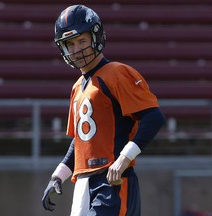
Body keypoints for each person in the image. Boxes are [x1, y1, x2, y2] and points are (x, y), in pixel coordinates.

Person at [42, 4, 165, 216]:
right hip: (83, 183)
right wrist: (58, 175)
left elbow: (153, 117)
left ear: (96, 37)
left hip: (112, 179)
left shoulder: (116, 72)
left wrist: (124, 158)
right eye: (70, 44)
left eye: (82, 40)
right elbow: (81, 140)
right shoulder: (77, 87)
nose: (77, 49)